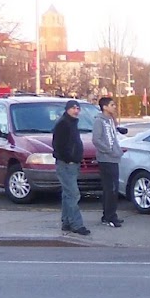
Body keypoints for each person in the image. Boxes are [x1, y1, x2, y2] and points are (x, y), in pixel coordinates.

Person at [52, 99, 90, 237]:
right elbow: (59, 146)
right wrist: (69, 159)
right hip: (66, 164)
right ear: (67, 109)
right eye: (73, 108)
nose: (76, 110)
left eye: (78, 108)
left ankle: (67, 222)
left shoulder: (72, 123)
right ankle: (77, 224)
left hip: (73, 164)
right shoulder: (63, 124)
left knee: (67, 195)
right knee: (74, 194)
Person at [92, 96, 125, 227]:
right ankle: (109, 216)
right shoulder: (99, 121)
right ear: (104, 107)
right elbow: (96, 140)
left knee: (114, 188)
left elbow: (114, 135)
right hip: (106, 159)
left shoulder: (110, 120)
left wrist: (117, 150)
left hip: (114, 158)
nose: (114, 107)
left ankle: (111, 214)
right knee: (110, 188)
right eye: (111, 105)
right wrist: (109, 150)